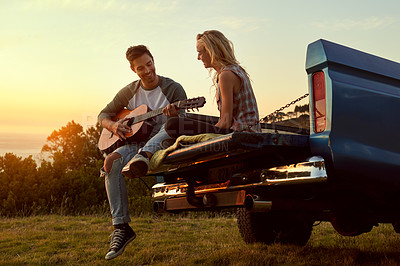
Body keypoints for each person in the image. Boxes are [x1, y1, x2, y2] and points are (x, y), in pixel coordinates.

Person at [98, 45, 186, 260]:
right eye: (141, 68)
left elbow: (183, 125)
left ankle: (143, 157)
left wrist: (174, 115)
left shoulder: (173, 89)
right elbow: (103, 115)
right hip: (135, 144)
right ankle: (121, 227)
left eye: (149, 64)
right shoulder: (130, 91)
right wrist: (113, 127)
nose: (147, 71)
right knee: (111, 162)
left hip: (163, 140)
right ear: (133, 70)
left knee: (172, 124)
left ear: (154, 60)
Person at [164, 30, 261, 138]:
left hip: (241, 135)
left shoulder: (226, 75)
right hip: (246, 131)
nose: (198, 57)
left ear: (211, 51)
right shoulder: (236, 70)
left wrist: (204, 133)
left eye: (200, 52)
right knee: (184, 120)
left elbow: (225, 122)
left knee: (172, 124)